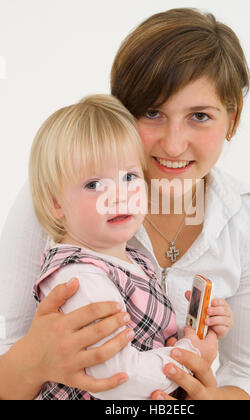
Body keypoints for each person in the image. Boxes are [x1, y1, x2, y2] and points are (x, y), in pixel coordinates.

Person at [0, 8, 250, 400]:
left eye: (200, 115)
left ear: (232, 120)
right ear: (122, 113)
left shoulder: (248, 220)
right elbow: (8, 351)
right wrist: (34, 359)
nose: (174, 143)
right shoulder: (61, 195)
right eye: (152, 112)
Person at [28, 93, 231, 400]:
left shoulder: (131, 258)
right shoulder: (80, 278)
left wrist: (200, 326)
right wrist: (190, 352)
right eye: (94, 184)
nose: (119, 195)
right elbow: (118, 376)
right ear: (57, 203)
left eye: (129, 176)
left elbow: (148, 337)